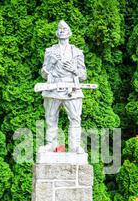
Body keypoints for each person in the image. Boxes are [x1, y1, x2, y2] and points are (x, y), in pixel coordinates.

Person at [39, 20, 87, 154]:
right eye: (59, 29)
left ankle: (75, 146)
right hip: (53, 88)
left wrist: (74, 70)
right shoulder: (50, 51)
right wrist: (50, 64)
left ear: (70, 33)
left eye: (65, 29)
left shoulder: (77, 52)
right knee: (50, 118)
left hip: (72, 89)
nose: (62, 31)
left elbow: (83, 75)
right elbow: (43, 73)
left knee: (75, 118)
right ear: (56, 33)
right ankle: (50, 144)